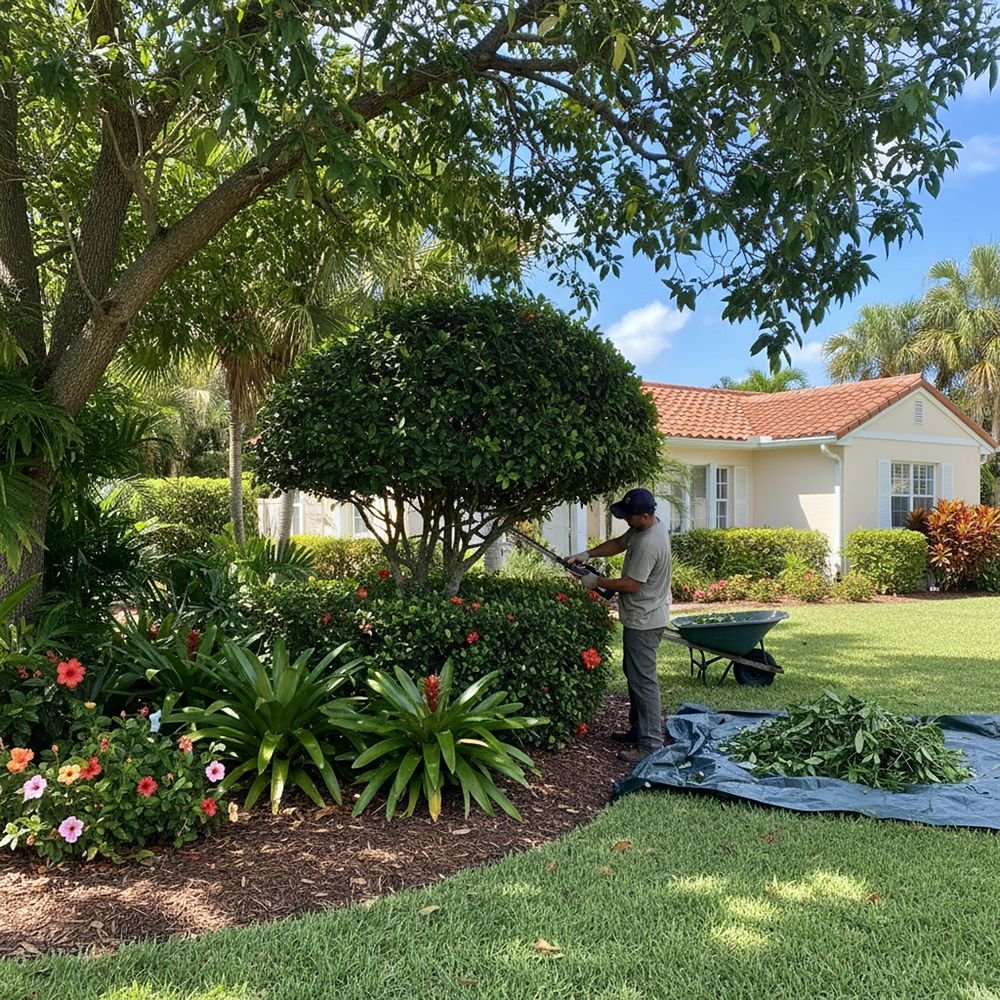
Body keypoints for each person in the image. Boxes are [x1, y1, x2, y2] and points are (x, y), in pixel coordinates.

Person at [568, 487, 671, 764]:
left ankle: (650, 744)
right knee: (634, 674)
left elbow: (631, 584)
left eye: (630, 516)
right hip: (643, 615)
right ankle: (639, 730)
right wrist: (587, 554)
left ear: (646, 516)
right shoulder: (643, 528)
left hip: (645, 620)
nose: (626, 520)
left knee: (644, 681)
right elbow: (618, 543)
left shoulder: (649, 543)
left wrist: (596, 581)